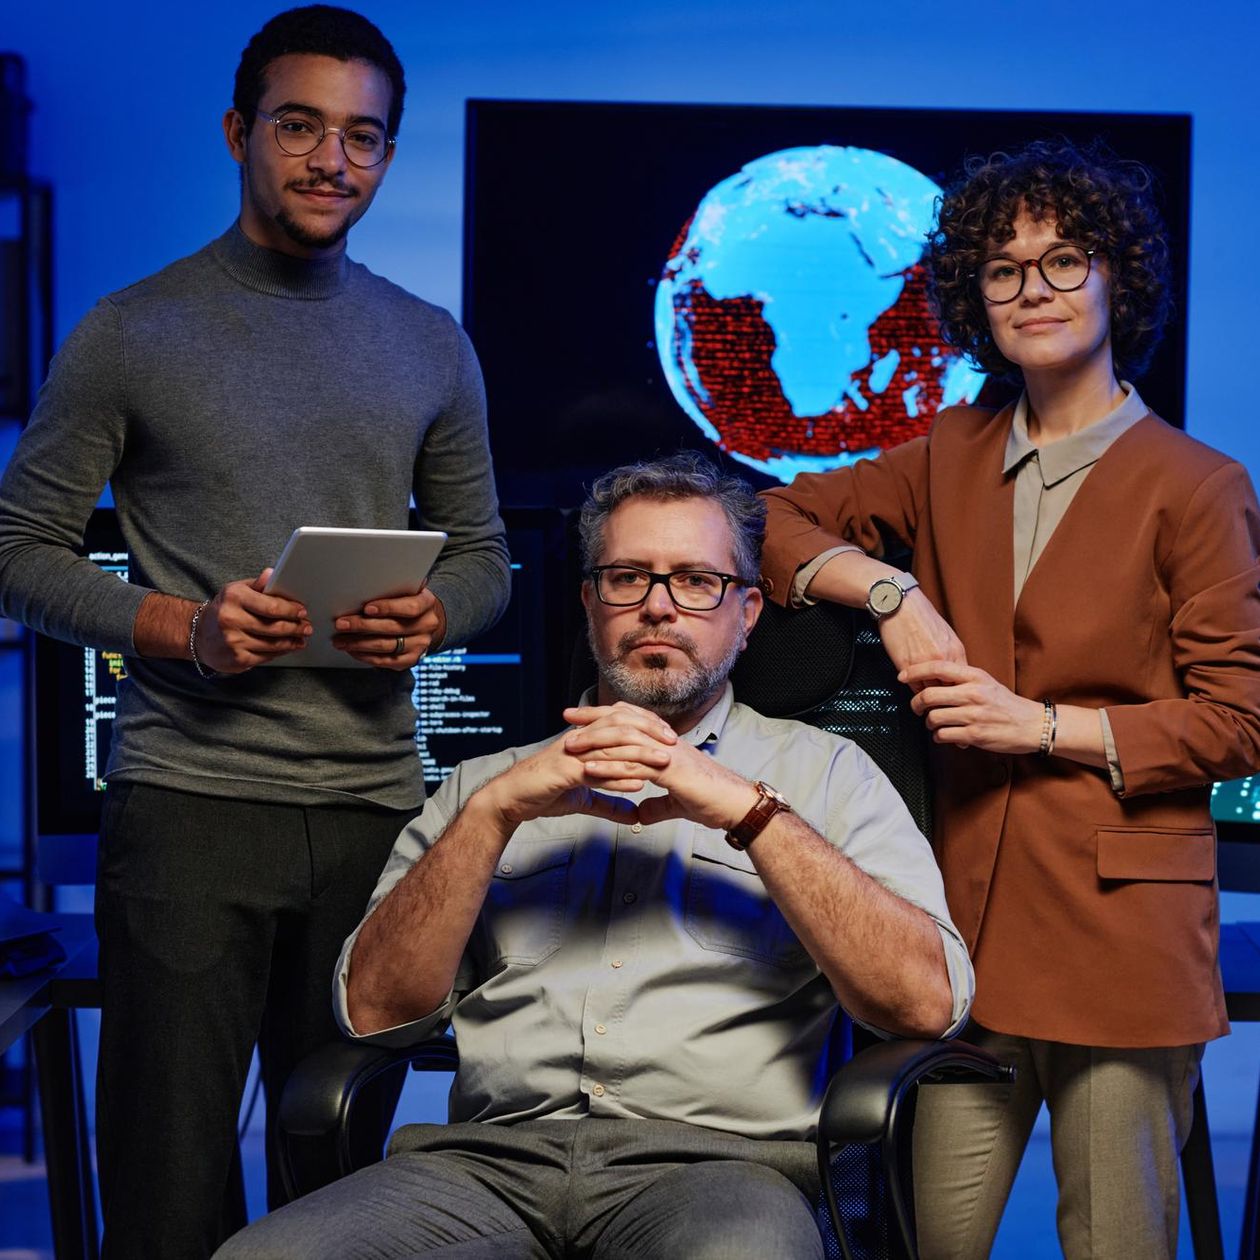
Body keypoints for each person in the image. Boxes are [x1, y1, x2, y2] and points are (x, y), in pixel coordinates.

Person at [0, 7, 510, 1257]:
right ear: (238, 133)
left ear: (386, 154)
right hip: (189, 808)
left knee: (340, 1187)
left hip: (374, 812)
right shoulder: (131, 331)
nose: (332, 160)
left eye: (362, 136)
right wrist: (185, 627)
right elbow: (18, 553)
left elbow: (485, 558)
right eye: (299, 126)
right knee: (167, 1182)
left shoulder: (431, 345)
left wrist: (436, 611)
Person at [214, 452, 973, 1259]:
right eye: (627, 578)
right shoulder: (485, 784)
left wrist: (749, 813)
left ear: (747, 611)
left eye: (696, 581)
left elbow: (924, 1006)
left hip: (721, 1173)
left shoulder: (828, 775)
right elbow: (374, 1012)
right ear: (590, 602)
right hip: (484, 1172)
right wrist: (494, 816)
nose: (658, 606)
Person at [759, 137, 1260, 1259]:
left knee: (1115, 1243)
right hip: (963, 929)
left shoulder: (1201, 488)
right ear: (975, 299)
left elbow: (1241, 724)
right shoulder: (948, 451)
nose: (1033, 288)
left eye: (1064, 260)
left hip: (1123, 933)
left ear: (1119, 279)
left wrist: (1039, 726)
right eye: (1003, 268)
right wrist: (891, 592)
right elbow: (770, 522)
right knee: (930, 1240)